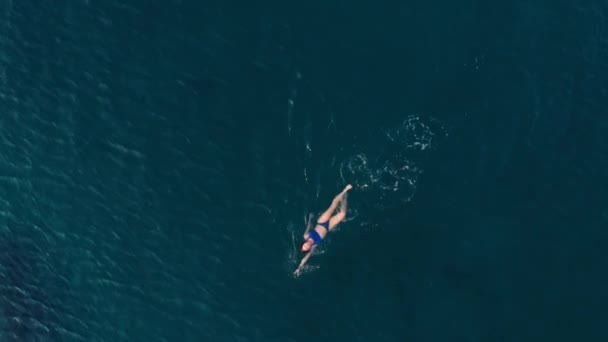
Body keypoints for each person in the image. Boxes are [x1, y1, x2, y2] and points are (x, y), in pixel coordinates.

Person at [294, 184, 352, 276]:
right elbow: (305, 259)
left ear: (303, 243)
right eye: (306, 248)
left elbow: (309, 227)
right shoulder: (313, 247)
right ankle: (345, 198)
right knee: (343, 214)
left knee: (333, 204)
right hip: (328, 227)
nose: (307, 246)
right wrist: (298, 269)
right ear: (308, 249)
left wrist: (310, 219)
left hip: (322, 222)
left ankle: (345, 190)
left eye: (304, 246)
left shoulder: (306, 236)